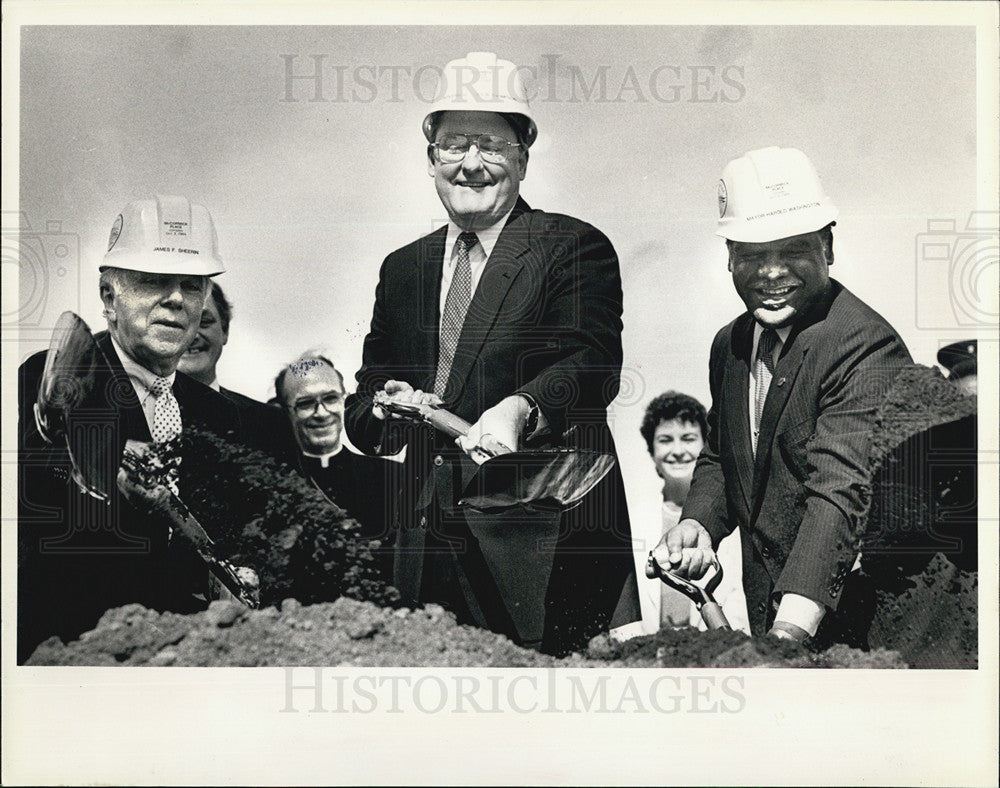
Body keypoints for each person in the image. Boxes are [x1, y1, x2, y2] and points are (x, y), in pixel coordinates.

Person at [344, 52, 640, 655]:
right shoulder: (403, 269)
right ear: (431, 159)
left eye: (491, 145)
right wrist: (379, 409)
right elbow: (369, 388)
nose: (471, 164)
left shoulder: (569, 246)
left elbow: (591, 364)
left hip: (542, 535)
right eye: (455, 145)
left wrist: (521, 408)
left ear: (522, 158)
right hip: (426, 544)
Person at [650, 147, 913, 648]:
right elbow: (722, 456)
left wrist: (790, 631)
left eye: (792, 250)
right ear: (729, 257)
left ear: (827, 247)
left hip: (852, 627)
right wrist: (697, 524)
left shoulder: (864, 345)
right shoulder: (729, 344)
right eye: (751, 254)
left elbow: (840, 491)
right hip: (767, 614)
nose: (771, 272)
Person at [17, 194, 246, 662]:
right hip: (76, 653)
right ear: (109, 296)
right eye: (154, 281)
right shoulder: (61, 377)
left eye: (191, 283)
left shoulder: (215, 414)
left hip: (186, 659)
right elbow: (38, 493)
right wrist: (107, 473)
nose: (177, 299)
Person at [639, 392, 748, 633]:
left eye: (688, 438)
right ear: (651, 450)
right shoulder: (633, 520)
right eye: (666, 440)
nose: (678, 450)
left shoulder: (741, 518)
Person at [275, 354, 397, 543]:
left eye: (331, 398)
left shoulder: (395, 477)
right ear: (285, 411)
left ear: (344, 400)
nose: (322, 413)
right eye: (305, 403)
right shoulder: (273, 485)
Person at [178, 280, 299, 465]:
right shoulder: (130, 417)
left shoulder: (272, 424)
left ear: (225, 331)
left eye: (204, 322)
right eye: (179, 324)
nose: (192, 335)